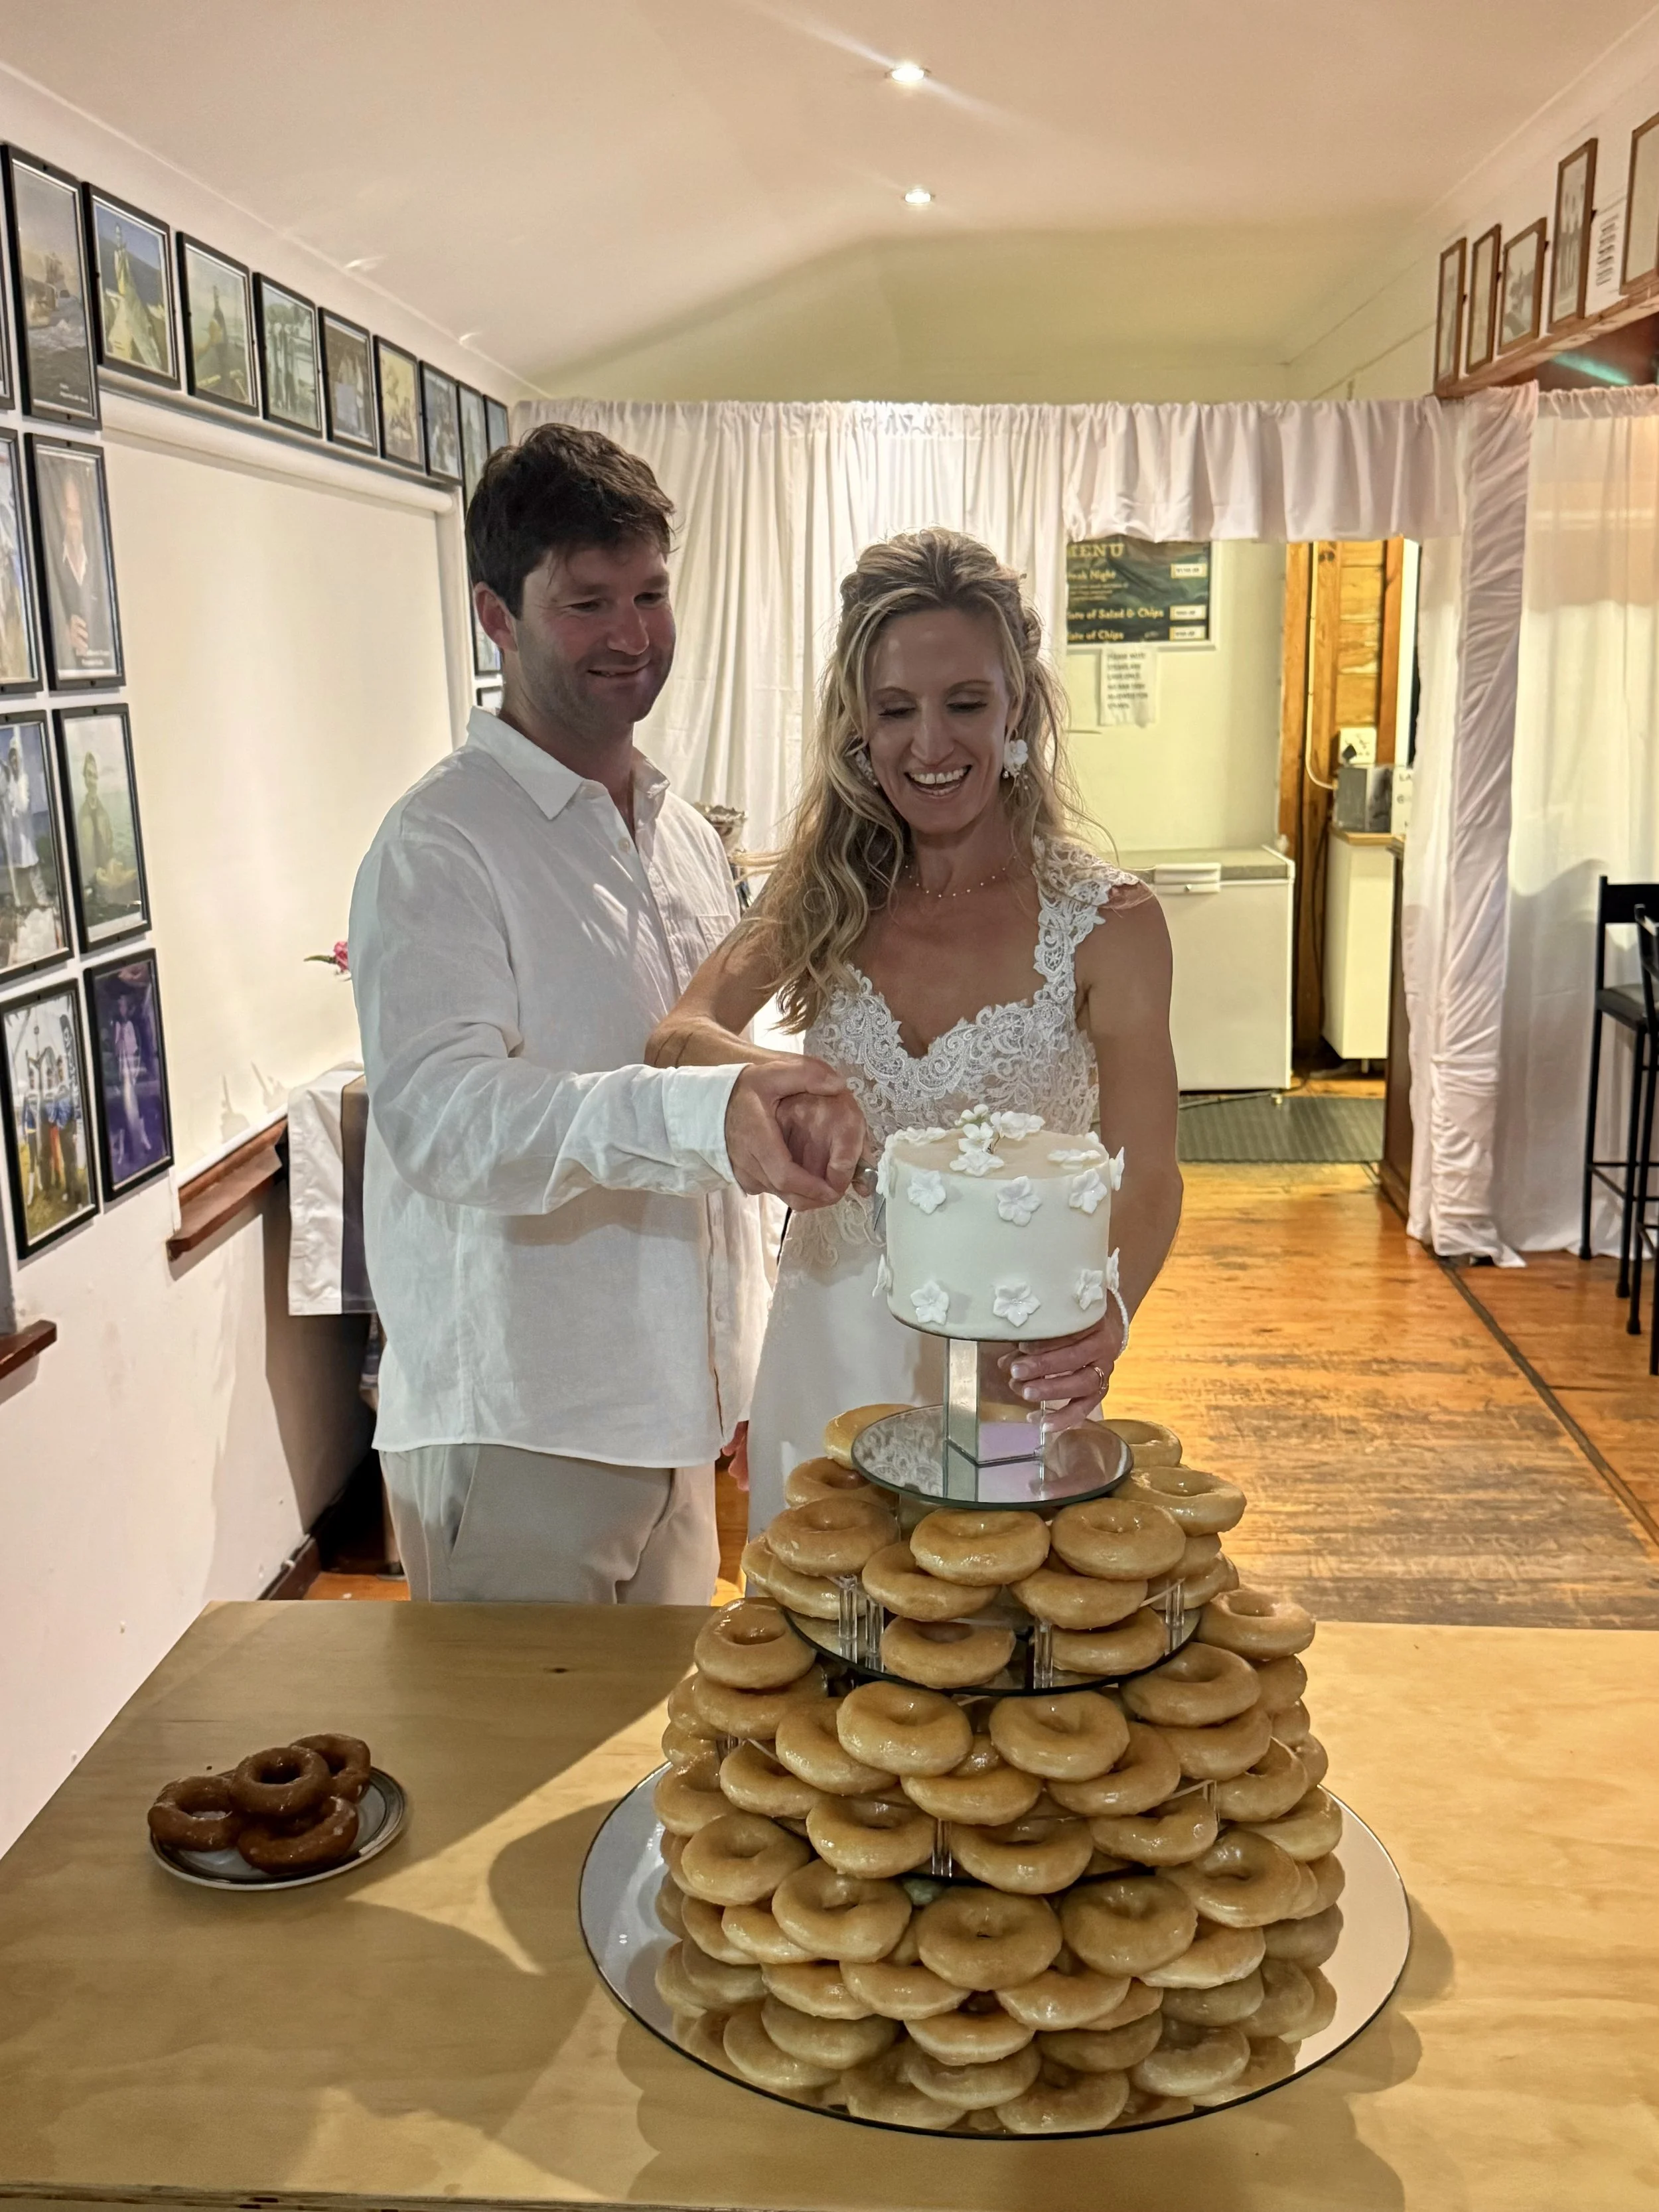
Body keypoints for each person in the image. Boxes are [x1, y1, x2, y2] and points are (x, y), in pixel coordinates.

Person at [351, 423, 855, 1603]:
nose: (632, 636)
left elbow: (697, 1063)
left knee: (657, 1779)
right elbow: (445, 1121)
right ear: (497, 614)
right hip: (523, 1422)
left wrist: (736, 1361)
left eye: (651, 593)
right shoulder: (438, 843)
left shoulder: (681, 832)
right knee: (517, 1783)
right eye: (587, 602)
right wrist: (696, 1117)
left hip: (679, 1418)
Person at [649, 528, 1185, 1529]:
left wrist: (1109, 1310)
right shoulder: (821, 897)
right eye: (896, 710)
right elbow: (677, 1034)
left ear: (1018, 705)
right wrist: (776, 1080)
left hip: (1011, 1359)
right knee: (815, 1648)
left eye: (965, 705)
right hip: (826, 1351)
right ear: (859, 725)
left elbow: (1147, 1169)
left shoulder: (1108, 923)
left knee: (988, 1645)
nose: (930, 746)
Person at [47, 467, 113, 674]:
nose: (73, 523)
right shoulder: (52, 565)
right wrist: (64, 637)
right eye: (68, 513)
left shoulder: (100, 568)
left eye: (77, 514)